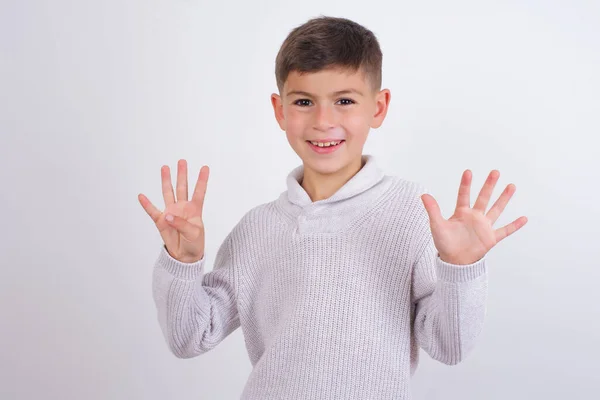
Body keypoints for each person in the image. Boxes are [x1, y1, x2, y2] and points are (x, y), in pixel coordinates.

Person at [138, 15, 527, 400]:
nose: (323, 121)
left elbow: (449, 347)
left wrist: (460, 269)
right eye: (304, 102)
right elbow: (189, 337)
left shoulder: (411, 212)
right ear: (280, 110)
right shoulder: (256, 229)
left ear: (378, 107)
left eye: (344, 101)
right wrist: (182, 262)